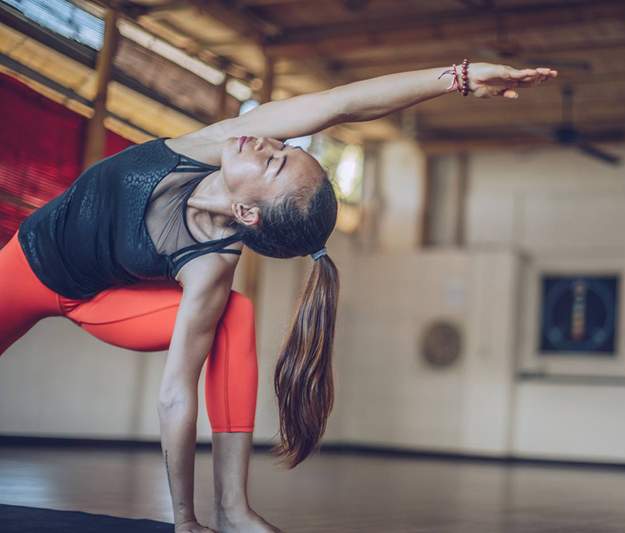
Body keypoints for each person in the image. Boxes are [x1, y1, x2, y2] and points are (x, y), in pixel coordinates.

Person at [0, 61, 557, 533]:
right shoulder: (212, 145)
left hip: (95, 304)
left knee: (233, 315)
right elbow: (343, 104)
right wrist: (456, 77)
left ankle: (232, 509)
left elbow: (176, 393)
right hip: (25, 269)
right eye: (282, 149)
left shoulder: (212, 264)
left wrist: (183, 520)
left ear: (247, 213)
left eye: (273, 161)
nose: (267, 142)